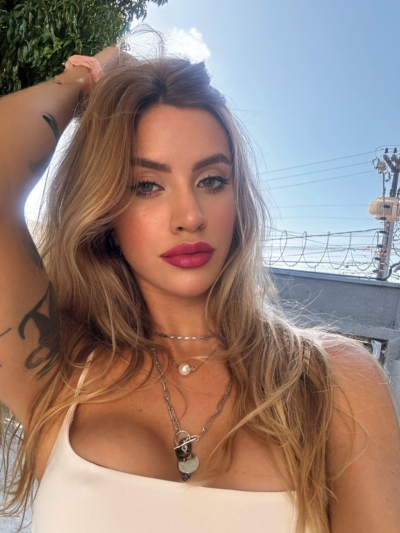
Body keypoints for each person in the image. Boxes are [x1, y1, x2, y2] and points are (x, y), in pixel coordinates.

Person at [0, 39, 399, 533]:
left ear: (238, 198)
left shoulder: (332, 382)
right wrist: (90, 77)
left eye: (211, 180)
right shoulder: (59, 367)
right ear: (106, 211)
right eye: (147, 185)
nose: (190, 216)